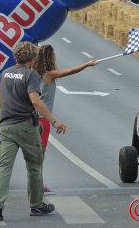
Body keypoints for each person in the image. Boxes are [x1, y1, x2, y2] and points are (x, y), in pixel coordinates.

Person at [0, 42, 68, 221]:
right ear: (32, 59)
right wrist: (53, 121)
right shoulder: (31, 74)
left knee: (3, 168)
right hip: (26, 126)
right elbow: (35, 100)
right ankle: (37, 205)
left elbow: (1, 102)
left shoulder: (5, 73)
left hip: (6, 127)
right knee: (34, 166)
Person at [32, 45, 97, 192]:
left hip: (32, 118)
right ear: (49, 57)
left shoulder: (33, 74)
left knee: (35, 153)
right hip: (43, 120)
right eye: (54, 54)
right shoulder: (49, 74)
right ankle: (39, 185)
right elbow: (71, 71)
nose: (55, 57)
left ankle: (37, 183)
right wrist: (87, 64)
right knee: (40, 154)